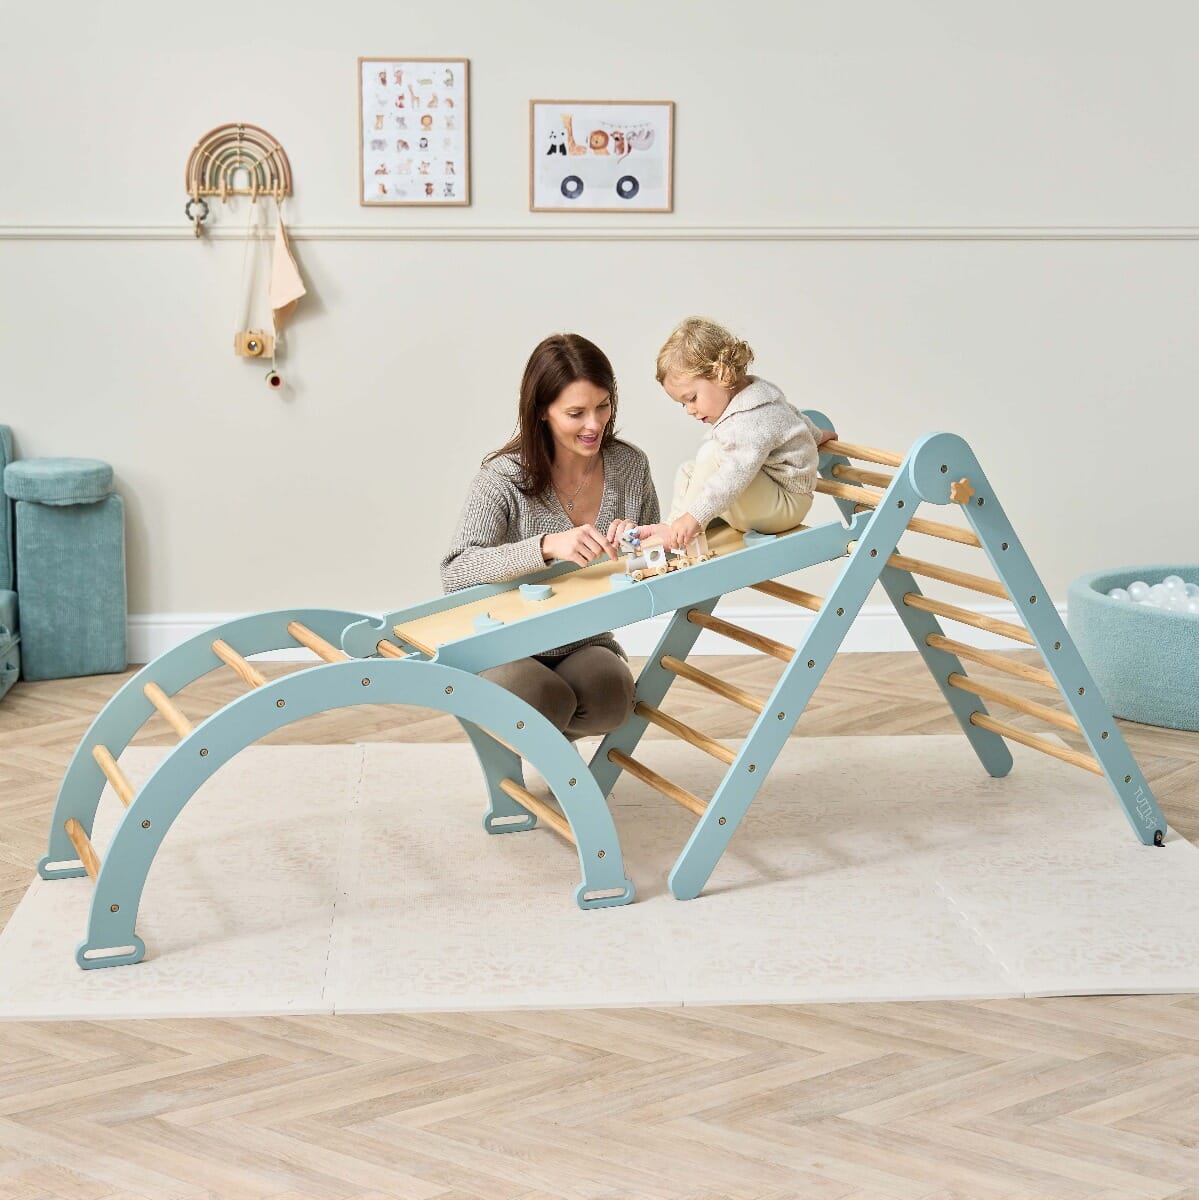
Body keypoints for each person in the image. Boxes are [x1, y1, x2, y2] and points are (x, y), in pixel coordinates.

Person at [440, 333, 660, 737]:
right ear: (542, 411)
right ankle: (544, 753)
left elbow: (652, 563)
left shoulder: (630, 465)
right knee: (542, 698)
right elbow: (455, 571)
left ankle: (549, 750)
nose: (594, 424)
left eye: (603, 406)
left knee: (612, 697)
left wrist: (636, 543)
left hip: (584, 639)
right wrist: (545, 547)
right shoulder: (503, 477)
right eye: (576, 413)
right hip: (506, 643)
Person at [637, 317, 835, 550]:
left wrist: (695, 516)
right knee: (689, 471)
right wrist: (816, 435)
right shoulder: (760, 394)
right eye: (683, 404)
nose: (690, 410)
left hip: (785, 505)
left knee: (712, 455)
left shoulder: (749, 421)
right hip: (768, 498)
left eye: (692, 398)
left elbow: (733, 476)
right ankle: (674, 529)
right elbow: (793, 418)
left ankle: (682, 529)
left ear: (722, 374)